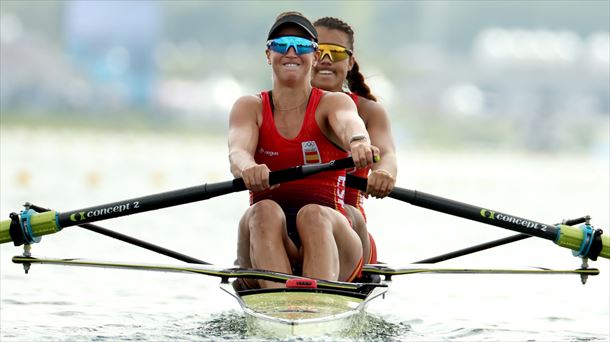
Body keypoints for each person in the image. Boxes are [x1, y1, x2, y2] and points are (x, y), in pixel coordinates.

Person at [229, 12, 380, 288]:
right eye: (281, 44)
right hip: (269, 233)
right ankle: (282, 305)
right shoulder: (248, 107)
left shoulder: (333, 104)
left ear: (314, 56)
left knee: (312, 214)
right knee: (262, 210)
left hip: (330, 234)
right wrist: (247, 168)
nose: (290, 52)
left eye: (301, 46)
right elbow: (237, 151)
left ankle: (309, 304)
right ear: (267, 54)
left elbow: (350, 125)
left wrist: (359, 142)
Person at [311, 17, 397, 269]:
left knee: (320, 216)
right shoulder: (279, 108)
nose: (326, 59)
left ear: (350, 62)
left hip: (348, 226)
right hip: (289, 217)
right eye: (318, 51)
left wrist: (383, 173)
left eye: (336, 53)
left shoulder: (370, 112)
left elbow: (388, 155)